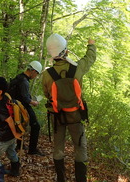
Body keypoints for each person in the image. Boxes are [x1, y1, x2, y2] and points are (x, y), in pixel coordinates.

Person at [41, 33, 96, 182]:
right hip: (76, 116)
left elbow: (47, 94)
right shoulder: (77, 68)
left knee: (58, 147)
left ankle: (61, 178)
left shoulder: (47, 74)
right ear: (65, 51)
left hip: (57, 115)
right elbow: (90, 58)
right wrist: (91, 44)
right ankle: (80, 179)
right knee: (80, 147)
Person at [0, 76, 22, 182]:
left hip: (3, 137)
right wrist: (14, 134)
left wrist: (15, 133)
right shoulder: (6, 97)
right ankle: (15, 170)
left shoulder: (0, 106)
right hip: (10, 136)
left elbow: (10, 120)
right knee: (11, 151)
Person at [8, 60, 44, 155]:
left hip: (15, 106)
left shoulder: (19, 77)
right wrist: (34, 102)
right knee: (35, 126)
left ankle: (20, 145)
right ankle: (32, 150)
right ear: (33, 71)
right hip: (22, 106)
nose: (35, 76)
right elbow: (25, 99)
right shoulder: (24, 81)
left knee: (20, 125)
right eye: (36, 74)